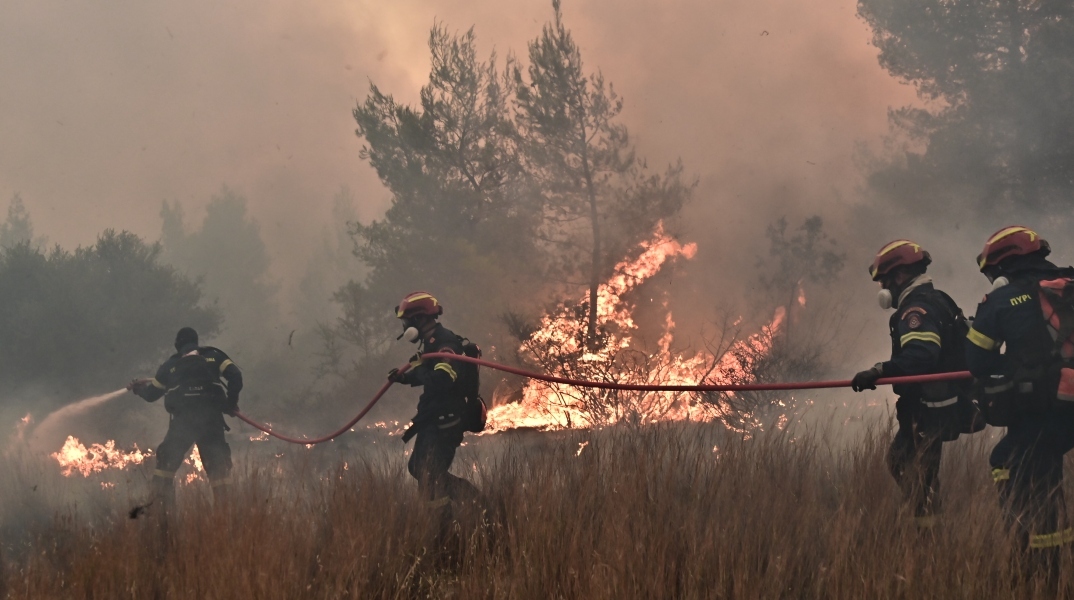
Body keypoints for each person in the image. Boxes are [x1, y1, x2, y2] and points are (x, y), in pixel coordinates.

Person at [966, 225, 1074, 575]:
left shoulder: (1001, 299)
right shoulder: (1069, 286)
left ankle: (1041, 570)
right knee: (1037, 469)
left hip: (1041, 409)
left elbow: (977, 361)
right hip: (1069, 406)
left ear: (1003, 267)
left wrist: (1014, 362)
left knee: (1011, 462)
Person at [851, 240, 981, 527]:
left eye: (884, 280)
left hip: (928, 408)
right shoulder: (938, 299)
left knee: (906, 464)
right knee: (915, 468)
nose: (883, 289)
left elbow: (922, 355)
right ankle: (928, 523)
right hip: (943, 403)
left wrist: (879, 370)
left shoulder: (915, 310)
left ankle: (928, 531)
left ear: (899, 277)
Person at [388, 291, 483, 550]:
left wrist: (420, 369)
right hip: (434, 419)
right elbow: (429, 373)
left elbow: (442, 380)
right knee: (418, 469)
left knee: (429, 476)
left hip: (446, 422)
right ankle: (468, 505)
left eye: (407, 321)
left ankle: (444, 530)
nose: (405, 327)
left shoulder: (444, 343)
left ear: (418, 319)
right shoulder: (431, 343)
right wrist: (405, 377)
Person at [128, 327, 242, 512]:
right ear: (197, 342)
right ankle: (226, 517)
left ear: (177, 345)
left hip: (183, 422)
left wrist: (138, 389)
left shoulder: (170, 365)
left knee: (165, 466)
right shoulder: (214, 356)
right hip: (211, 420)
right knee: (218, 471)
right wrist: (230, 403)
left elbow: (151, 395)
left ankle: (163, 515)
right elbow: (236, 376)